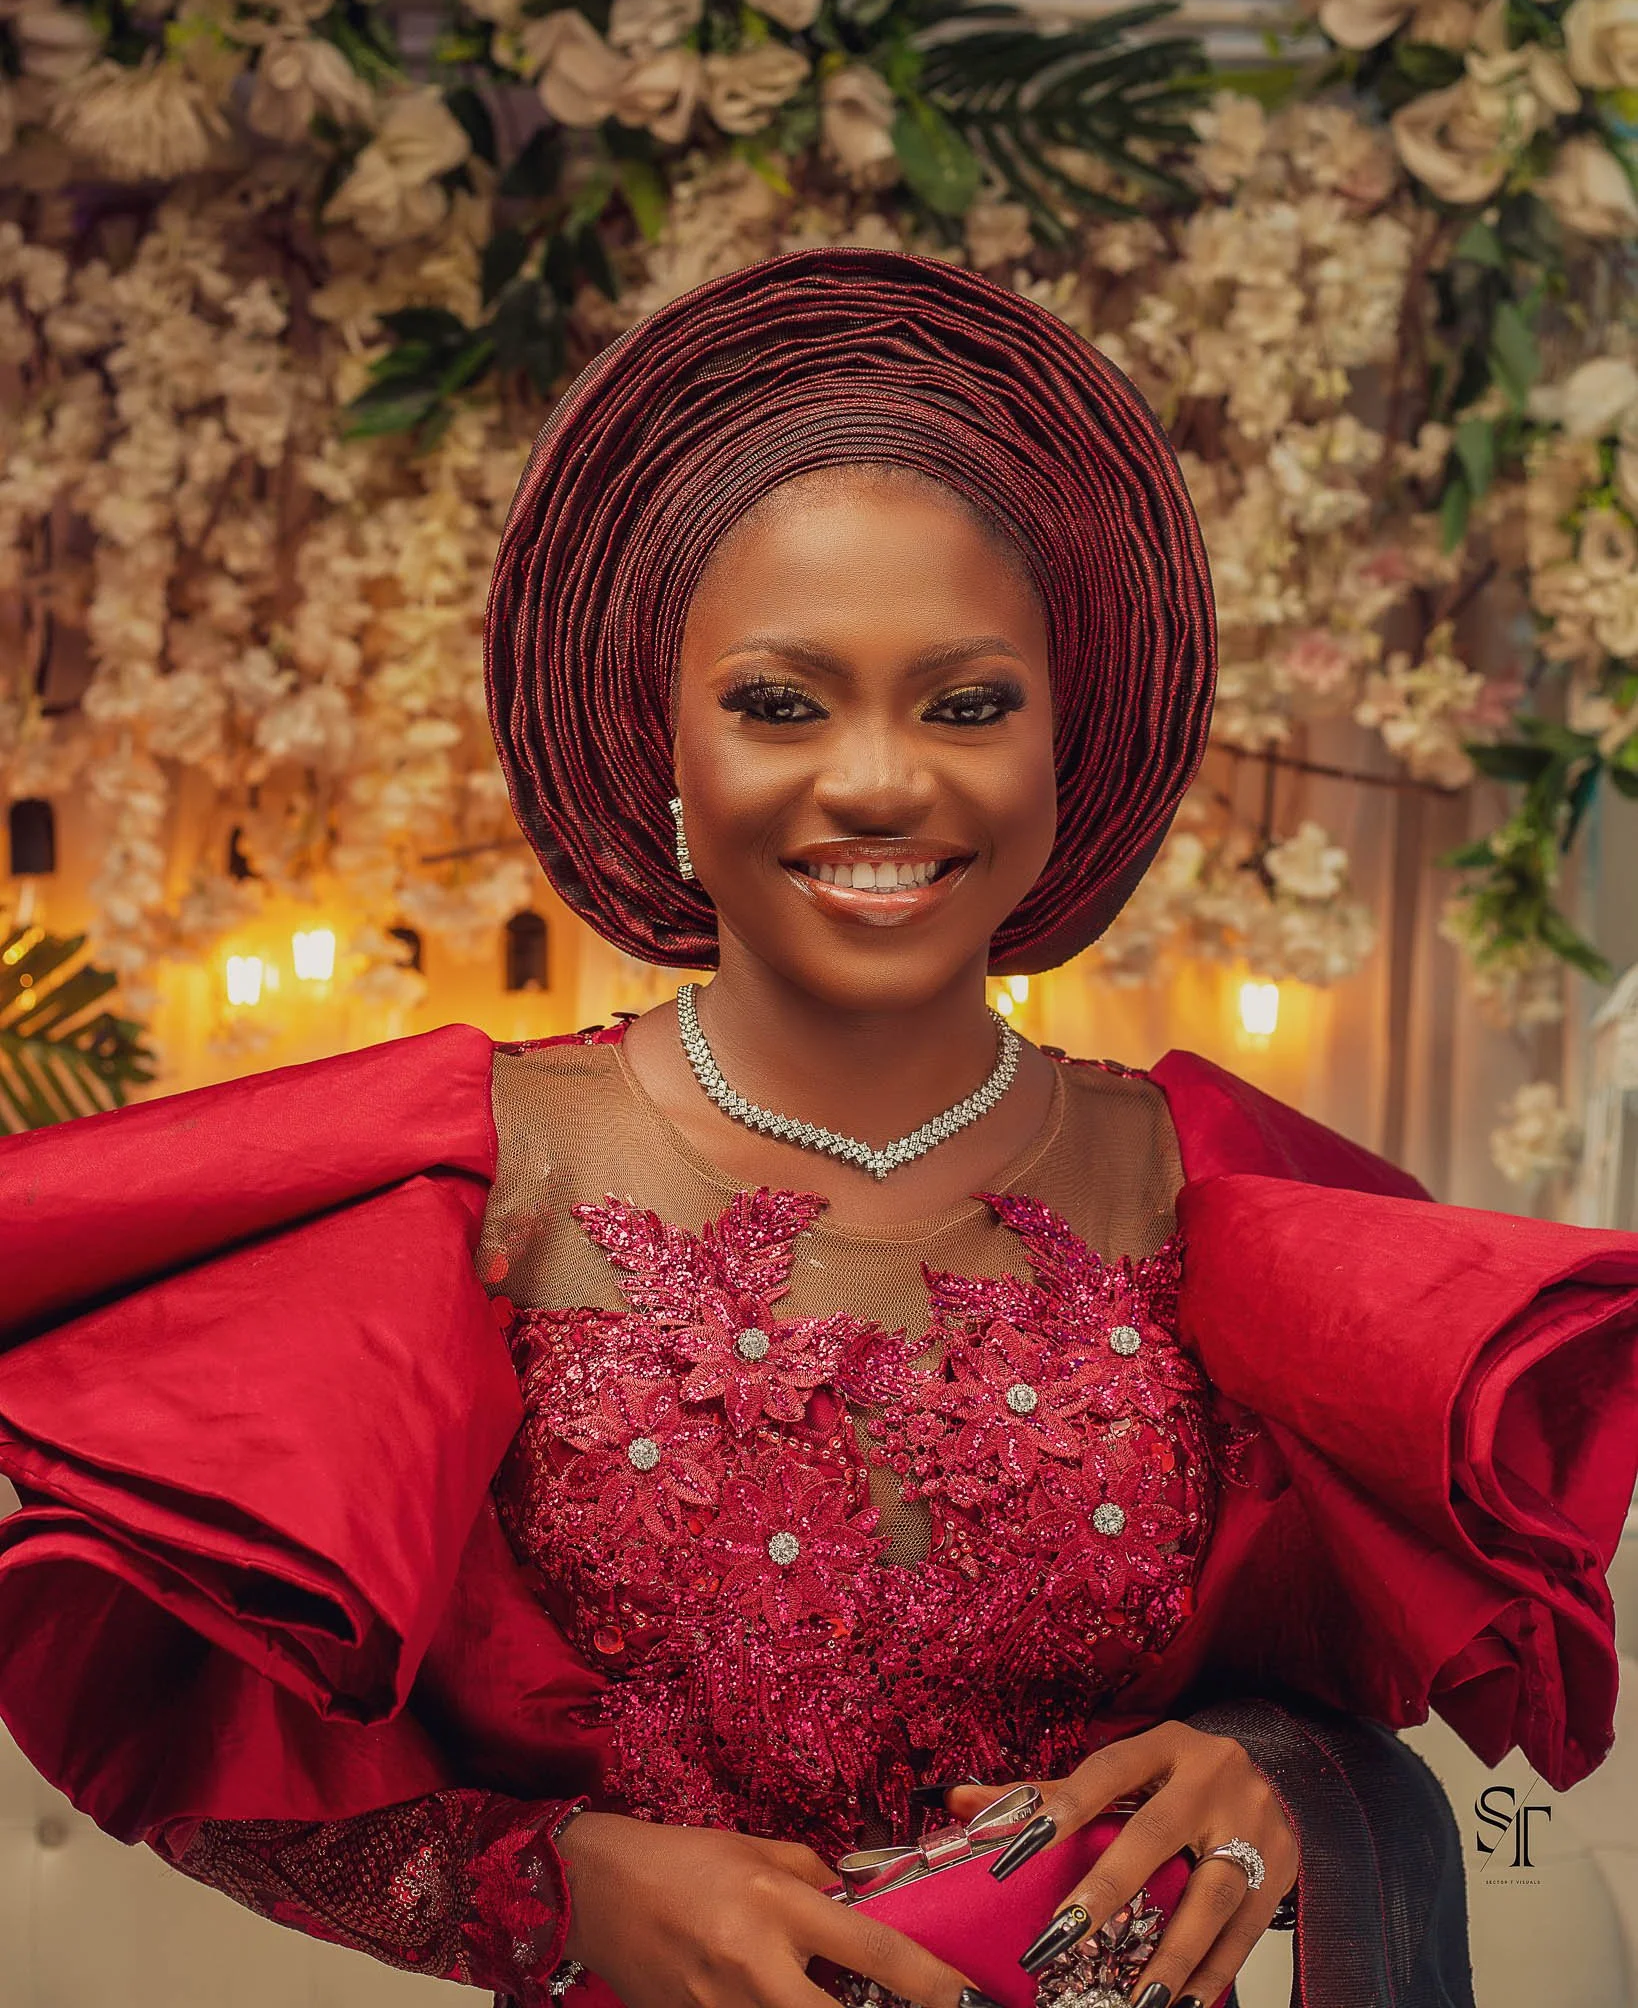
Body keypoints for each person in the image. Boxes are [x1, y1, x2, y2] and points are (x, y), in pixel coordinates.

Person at [1, 250, 1635, 2008]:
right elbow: (204, 1755)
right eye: (781, 702)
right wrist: (552, 1890)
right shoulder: (472, 1175)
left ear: (1060, 748)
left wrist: (1276, 1779)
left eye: (966, 703)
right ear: (667, 750)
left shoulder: (1215, 1191)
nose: (875, 779)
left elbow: (1329, 1682)